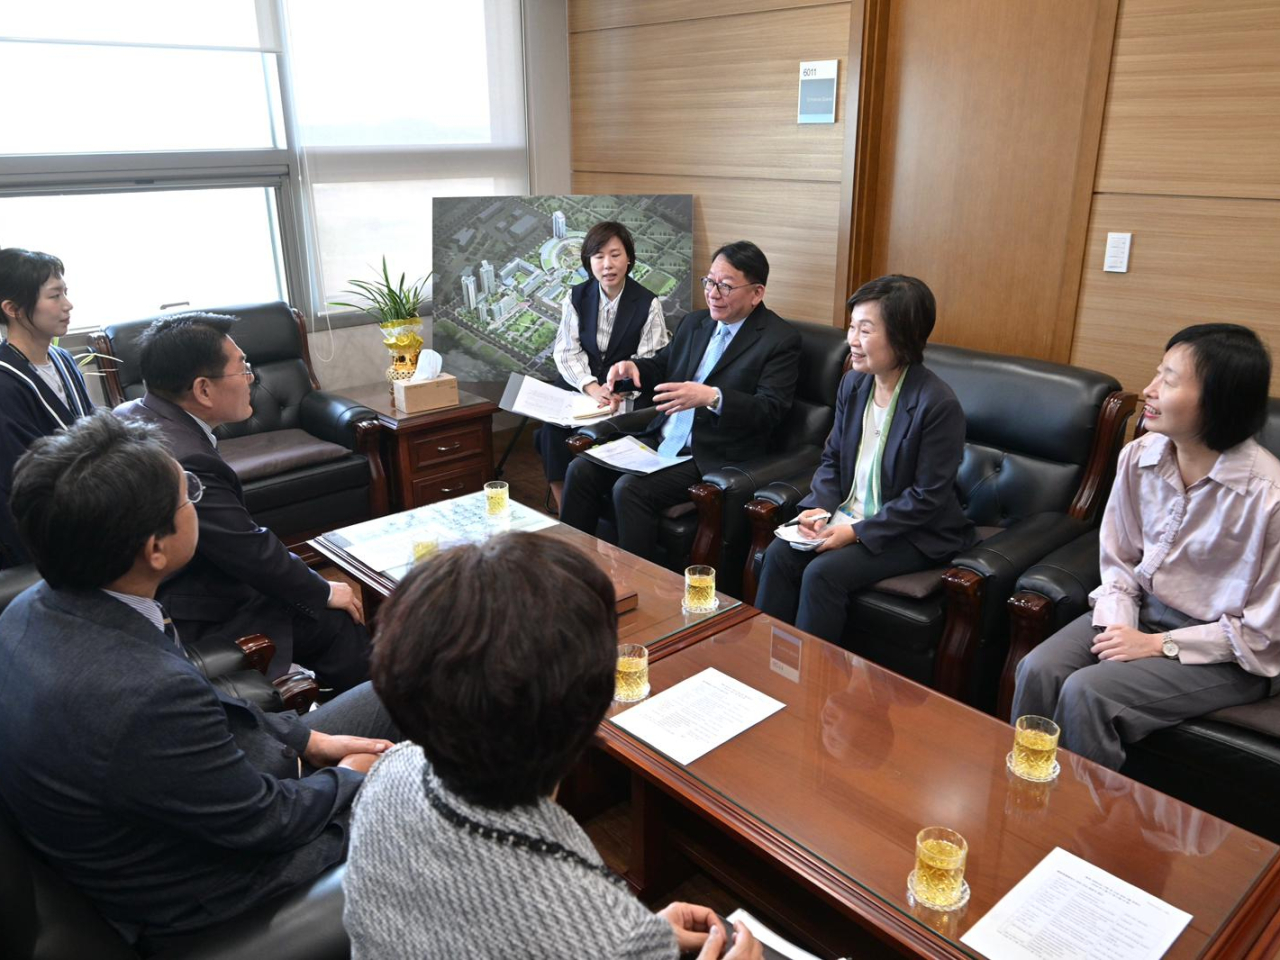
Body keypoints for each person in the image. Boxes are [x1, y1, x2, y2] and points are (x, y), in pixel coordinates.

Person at [0, 412, 397, 946]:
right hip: (215, 884)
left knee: (396, 688)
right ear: (155, 549)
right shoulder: (141, 696)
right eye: (188, 496)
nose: (196, 500)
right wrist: (352, 776)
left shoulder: (30, 610)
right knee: (418, 787)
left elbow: (201, 709)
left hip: (205, 791)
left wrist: (309, 739)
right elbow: (264, 823)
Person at [344, 532, 762, 959]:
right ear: (590, 709)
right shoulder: (608, 938)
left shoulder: (387, 775)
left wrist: (635, 934)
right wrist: (624, 937)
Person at [1012, 323, 1280, 770]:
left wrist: (1157, 646)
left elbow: (1262, 635)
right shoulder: (1139, 456)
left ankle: (1080, 833)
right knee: (1038, 668)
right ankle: (1024, 798)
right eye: (1158, 373)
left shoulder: (1269, 497)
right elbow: (1119, 561)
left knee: (1089, 692)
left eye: (1169, 380)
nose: (1150, 391)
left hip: (1232, 652)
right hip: (1145, 613)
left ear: (1220, 400)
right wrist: (1122, 625)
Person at [114, 312, 370, 692]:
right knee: (334, 620)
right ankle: (366, 721)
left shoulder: (134, 413)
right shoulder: (185, 462)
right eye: (242, 368)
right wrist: (323, 589)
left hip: (165, 584)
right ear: (203, 389)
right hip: (192, 605)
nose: (252, 378)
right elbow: (248, 549)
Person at [755, 275, 975, 643]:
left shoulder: (938, 404)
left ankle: (810, 684)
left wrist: (855, 533)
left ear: (901, 335)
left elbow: (927, 498)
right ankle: (762, 665)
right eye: (852, 327)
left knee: (822, 572)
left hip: (913, 533)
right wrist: (817, 508)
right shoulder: (854, 384)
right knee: (779, 554)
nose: (851, 341)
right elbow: (832, 458)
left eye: (865, 330)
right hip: (849, 515)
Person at [559, 240, 801, 564]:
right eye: (709, 282)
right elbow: (662, 364)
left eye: (725, 286)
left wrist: (713, 397)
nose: (713, 293)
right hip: (662, 437)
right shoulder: (695, 323)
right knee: (581, 469)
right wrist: (634, 367)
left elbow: (771, 409)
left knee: (629, 489)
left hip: (710, 453)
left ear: (757, 293)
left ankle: (639, 590)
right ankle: (569, 568)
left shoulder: (779, 340)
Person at [535, 220, 670, 510]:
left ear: (629, 259)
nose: (607, 264)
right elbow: (566, 351)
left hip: (627, 389)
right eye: (599, 256)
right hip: (584, 384)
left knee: (614, 428)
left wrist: (617, 392)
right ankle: (564, 509)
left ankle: (596, 501)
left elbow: (650, 359)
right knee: (551, 429)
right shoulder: (576, 297)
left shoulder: (647, 303)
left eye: (615, 254)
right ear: (589, 262)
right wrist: (592, 386)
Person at [0, 248, 94, 567]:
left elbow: (96, 433)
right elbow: (20, 482)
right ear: (12, 308)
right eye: (54, 296)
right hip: (48, 530)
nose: (67, 305)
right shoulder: (5, 382)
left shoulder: (63, 361)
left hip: (94, 508)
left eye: (65, 292)